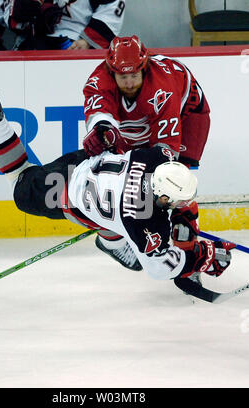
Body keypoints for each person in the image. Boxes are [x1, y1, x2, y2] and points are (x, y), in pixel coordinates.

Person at [0, 72, 234, 286]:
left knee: (99, 213)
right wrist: (204, 256)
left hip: (84, 162)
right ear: (163, 197)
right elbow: (160, 268)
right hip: (63, 195)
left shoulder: (155, 158)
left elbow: (169, 184)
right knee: (19, 178)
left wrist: (193, 241)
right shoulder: (142, 221)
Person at [82, 35, 211, 271]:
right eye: (123, 76)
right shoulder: (97, 81)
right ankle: (113, 242)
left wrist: (156, 201)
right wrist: (102, 129)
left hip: (189, 115)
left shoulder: (163, 87)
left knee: (176, 180)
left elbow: (165, 155)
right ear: (112, 72)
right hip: (141, 120)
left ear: (145, 67)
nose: (129, 82)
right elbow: (100, 114)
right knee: (117, 178)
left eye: (134, 75)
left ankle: (187, 251)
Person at [7, 0, 125, 50]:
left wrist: (87, 42)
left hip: (77, 40)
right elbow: (13, 18)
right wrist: (28, 6)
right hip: (34, 40)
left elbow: (111, 11)